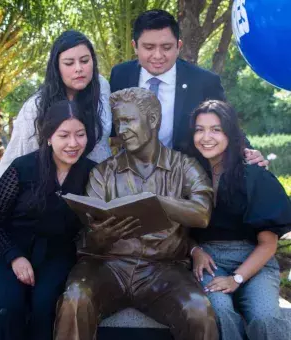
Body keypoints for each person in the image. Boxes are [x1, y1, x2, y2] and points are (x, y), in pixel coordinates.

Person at [54, 88, 219, 340]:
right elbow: (90, 231)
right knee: (76, 299)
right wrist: (101, 236)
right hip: (107, 265)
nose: (121, 130)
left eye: (128, 120)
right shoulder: (103, 172)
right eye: (118, 122)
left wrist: (156, 201)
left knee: (198, 310)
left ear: (152, 120)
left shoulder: (185, 166)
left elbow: (202, 213)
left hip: (164, 269)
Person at [0, 100, 97, 340]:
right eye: (64, 135)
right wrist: (15, 257)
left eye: (80, 135)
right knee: (8, 306)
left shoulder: (93, 173)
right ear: (49, 136)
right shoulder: (23, 168)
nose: (73, 144)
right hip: (6, 254)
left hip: (56, 257)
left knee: (45, 309)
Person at [188, 100, 291, 340]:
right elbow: (178, 229)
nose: (206, 137)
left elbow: (268, 244)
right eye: (199, 129)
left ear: (230, 134)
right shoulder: (188, 172)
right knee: (218, 310)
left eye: (216, 129)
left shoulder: (253, 174)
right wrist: (194, 251)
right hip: (209, 260)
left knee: (265, 316)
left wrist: (236, 279)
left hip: (255, 259)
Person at [109, 9, 267, 166]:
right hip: (133, 174)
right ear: (135, 46)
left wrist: (248, 152)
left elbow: (228, 125)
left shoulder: (203, 81)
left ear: (178, 46)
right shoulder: (121, 75)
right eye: (149, 48)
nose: (158, 55)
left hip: (188, 176)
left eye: (166, 47)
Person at [0, 30, 112, 205]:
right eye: (69, 63)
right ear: (56, 67)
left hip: (101, 191)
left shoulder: (102, 87)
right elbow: (17, 155)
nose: (79, 68)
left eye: (85, 60)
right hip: (57, 198)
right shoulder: (36, 107)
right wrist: (0, 187)